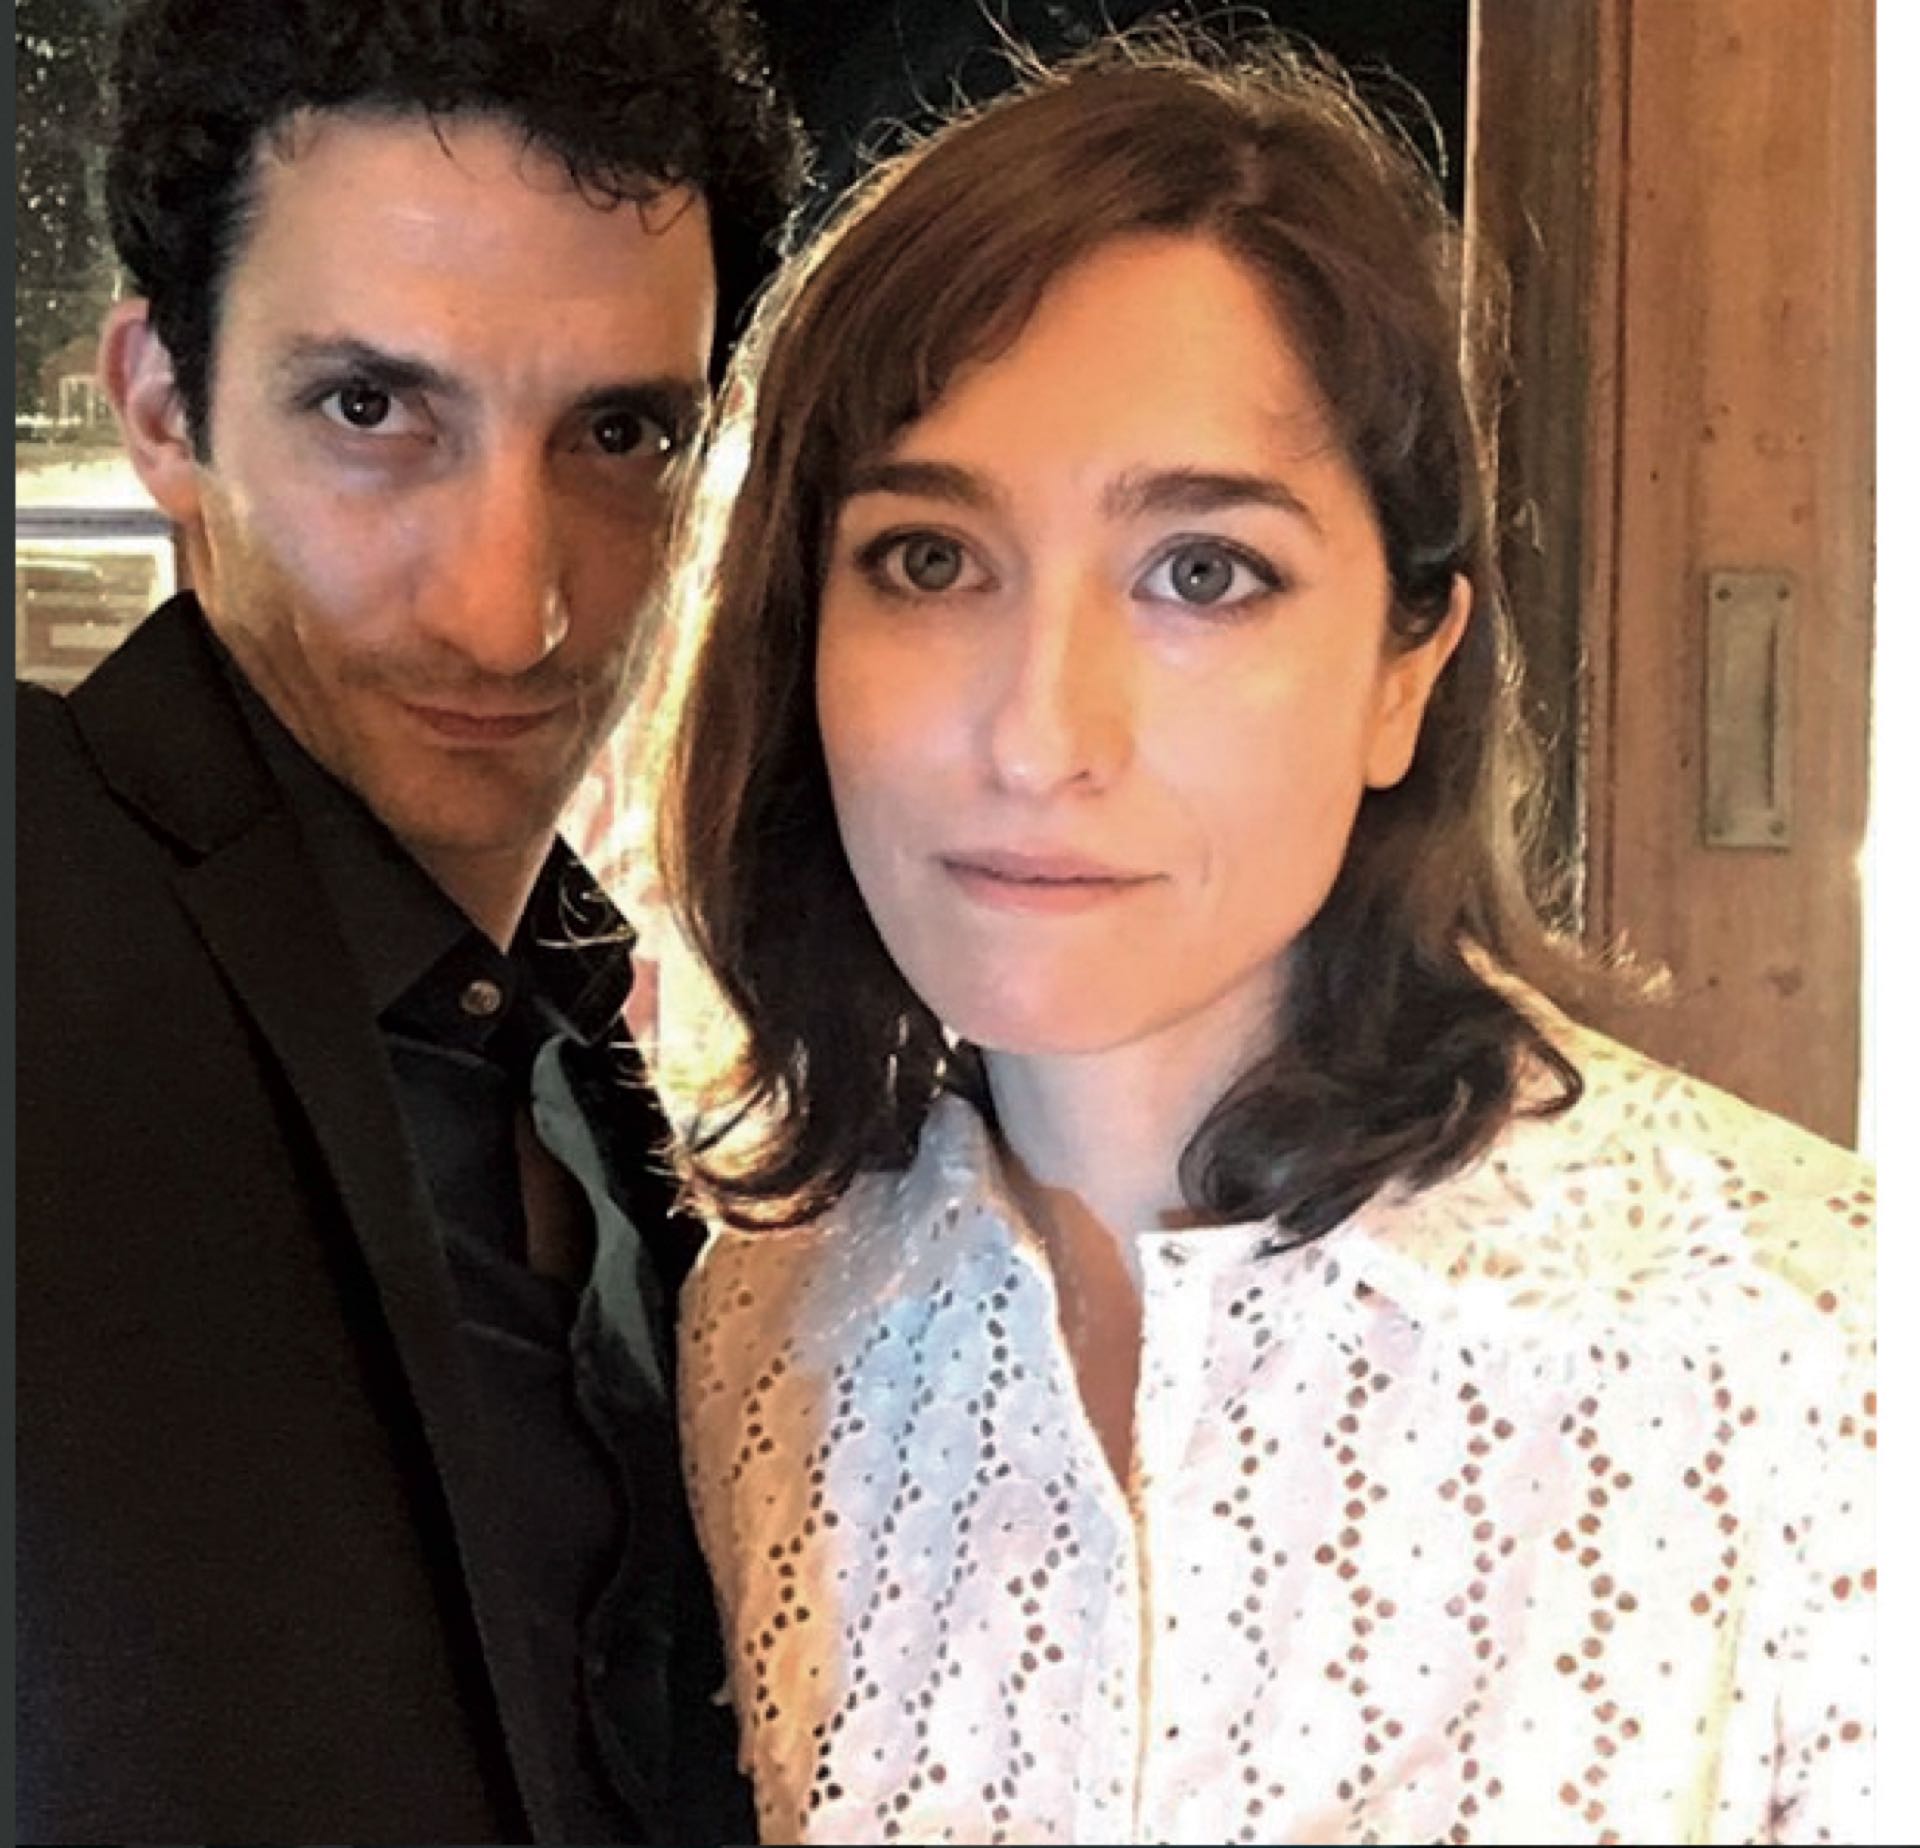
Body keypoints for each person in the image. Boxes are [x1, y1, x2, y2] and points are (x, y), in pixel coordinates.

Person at [656, 36, 1876, 1846]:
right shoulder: (763, 1334)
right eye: (929, 560)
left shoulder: (1821, 1359)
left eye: (1201, 573)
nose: (1038, 736)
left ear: (1407, 667)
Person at [16, 2, 805, 1841]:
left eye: (618, 431)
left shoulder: (587, 1060)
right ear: (162, 407)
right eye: (371, 410)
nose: (510, 611)